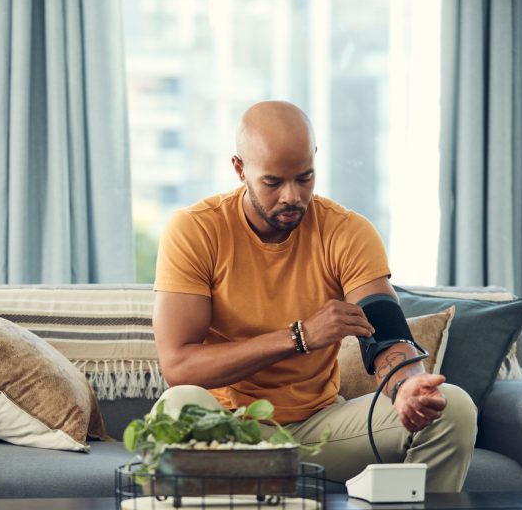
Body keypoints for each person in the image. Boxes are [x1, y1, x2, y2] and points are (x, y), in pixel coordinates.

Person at [152, 100, 477, 492]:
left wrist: (406, 383)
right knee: (178, 404)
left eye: (304, 177)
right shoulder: (196, 230)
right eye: (273, 182)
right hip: (227, 429)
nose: (292, 196)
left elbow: (387, 335)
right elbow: (179, 366)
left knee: (453, 407)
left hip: (320, 431)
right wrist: (300, 335)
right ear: (240, 169)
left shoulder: (346, 231)